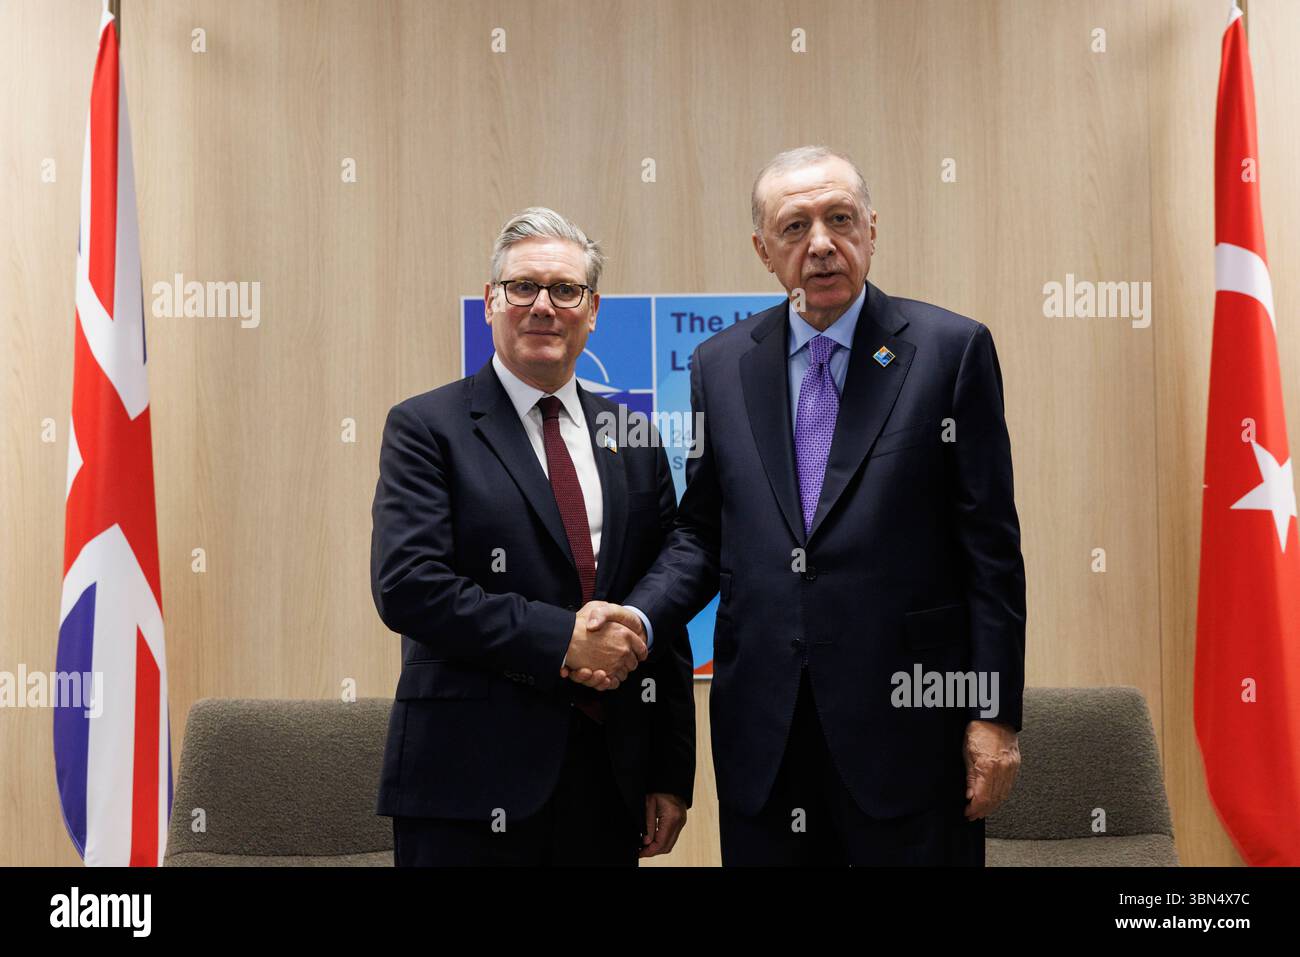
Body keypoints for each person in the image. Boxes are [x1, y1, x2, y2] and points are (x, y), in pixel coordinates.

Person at [599, 146, 1026, 865]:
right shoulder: (722, 365)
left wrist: (995, 715)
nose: (821, 244)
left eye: (840, 219)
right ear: (765, 251)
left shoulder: (950, 352)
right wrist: (638, 618)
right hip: (767, 738)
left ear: (872, 229)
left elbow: (990, 553)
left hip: (910, 733)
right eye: (795, 227)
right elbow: (705, 534)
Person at [371, 207, 694, 865]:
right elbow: (408, 586)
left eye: (565, 289)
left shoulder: (631, 436)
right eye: (523, 287)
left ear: (594, 309)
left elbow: (665, 606)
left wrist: (668, 771)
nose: (543, 305)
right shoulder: (426, 427)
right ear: (492, 301)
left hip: (607, 783)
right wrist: (561, 639)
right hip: (465, 784)